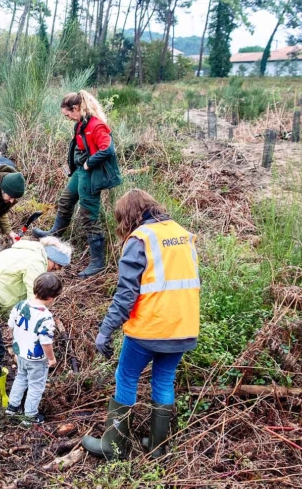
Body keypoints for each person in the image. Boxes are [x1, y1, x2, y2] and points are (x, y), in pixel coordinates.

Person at [82, 189, 200, 460]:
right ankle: (157, 448)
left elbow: (126, 295)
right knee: (164, 380)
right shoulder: (183, 234)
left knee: (126, 377)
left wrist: (105, 330)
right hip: (183, 327)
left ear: (129, 216)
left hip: (150, 327)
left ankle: (114, 446)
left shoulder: (141, 239)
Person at [0, 237, 72, 407]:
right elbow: (34, 301)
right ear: (51, 258)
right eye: (55, 267)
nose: (53, 272)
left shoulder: (27, 251)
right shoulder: (36, 262)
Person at [32, 90, 122, 278]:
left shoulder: (96, 125)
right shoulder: (81, 123)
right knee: (66, 199)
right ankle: (55, 236)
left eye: (68, 114)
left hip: (91, 173)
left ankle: (98, 262)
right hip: (81, 170)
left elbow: (109, 149)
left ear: (76, 108)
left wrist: (90, 162)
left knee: (88, 214)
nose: (68, 119)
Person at [5, 272, 63, 425]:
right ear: (51, 297)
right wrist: (51, 358)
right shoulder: (45, 317)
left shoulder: (21, 305)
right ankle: (30, 416)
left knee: (21, 377)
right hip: (36, 359)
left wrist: (16, 343)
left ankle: (12, 407)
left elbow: (10, 325)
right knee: (36, 386)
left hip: (20, 354)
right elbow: (45, 341)